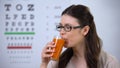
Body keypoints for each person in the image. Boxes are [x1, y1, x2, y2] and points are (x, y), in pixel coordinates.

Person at [40, 4, 120, 68]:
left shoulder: (109, 63)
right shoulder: (58, 62)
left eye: (68, 27)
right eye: (60, 27)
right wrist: (44, 63)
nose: (61, 32)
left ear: (85, 30)